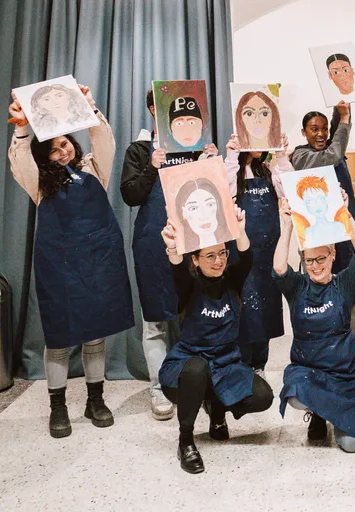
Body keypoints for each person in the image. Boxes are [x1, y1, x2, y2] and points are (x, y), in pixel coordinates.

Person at [7, 87, 133, 439]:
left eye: (65, 144)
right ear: (44, 157)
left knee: (95, 334)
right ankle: (57, 406)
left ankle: (96, 399)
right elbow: (20, 162)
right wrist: (21, 128)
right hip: (59, 268)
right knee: (59, 338)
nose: (62, 151)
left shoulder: (95, 169)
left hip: (97, 263)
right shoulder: (39, 186)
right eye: (53, 149)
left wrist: (87, 107)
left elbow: (102, 138)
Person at [121, 88, 217, 421]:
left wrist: (211, 163)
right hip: (152, 242)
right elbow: (130, 195)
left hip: (194, 242)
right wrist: (151, 166)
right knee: (155, 323)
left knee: (197, 314)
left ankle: (198, 383)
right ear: (153, 109)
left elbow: (209, 192)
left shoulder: (193, 147)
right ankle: (159, 388)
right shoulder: (139, 149)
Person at [158, 206, 274, 474]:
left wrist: (240, 230)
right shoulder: (190, 284)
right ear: (195, 260)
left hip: (225, 363)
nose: (218, 261)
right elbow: (177, 272)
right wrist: (174, 249)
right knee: (198, 370)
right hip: (188, 364)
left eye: (222, 253)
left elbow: (246, 259)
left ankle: (216, 410)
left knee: (263, 396)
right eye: (210, 256)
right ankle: (185, 440)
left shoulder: (231, 279)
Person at [273, 190, 355, 453]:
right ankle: (318, 412)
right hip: (311, 370)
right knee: (295, 393)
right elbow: (280, 268)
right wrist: (286, 227)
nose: (315, 266)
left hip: (347, 373)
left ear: (333, 256)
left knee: (350, 446)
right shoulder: (297, 287)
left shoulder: (344, 283)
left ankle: (340, 415)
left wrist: (345, 215)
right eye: (309, 260)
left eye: (321, 258)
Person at [290, 103, 355, 337]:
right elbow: (333, 154)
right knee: (324, 298)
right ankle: (325, 347)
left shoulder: (332, 151)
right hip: (320, 242)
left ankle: (351, 347)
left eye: (324, 129)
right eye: (314, 129)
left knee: (352, 296)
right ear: (304, 132)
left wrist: (338, 109)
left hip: (345, 235)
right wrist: (343, 119)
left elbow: (333, 146)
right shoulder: (301, 156)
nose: (321, 134)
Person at [224, 132, 293, 375]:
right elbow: (224, 189)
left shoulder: (267, 170)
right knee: (245, 308)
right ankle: (242, 364)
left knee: (266, 307)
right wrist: (232, 155)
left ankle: (260, 365)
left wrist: (282, 157)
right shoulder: (232, 170)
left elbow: (290, 192)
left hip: (268, 252)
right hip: (242, 253)